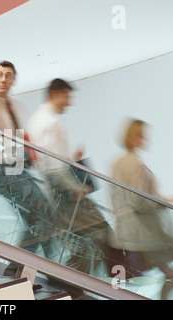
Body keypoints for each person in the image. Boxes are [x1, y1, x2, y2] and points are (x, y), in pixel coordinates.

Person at [0, 61, 58, 270]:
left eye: (8, 75)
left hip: (21, 169)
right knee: (43, 213)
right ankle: (51, 269)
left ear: (14, 80)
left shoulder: (17, 105)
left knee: (39, 219)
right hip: (3, 170)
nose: (3, 79)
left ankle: (20, 270)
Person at [27, 78, 113, 275]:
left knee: (84, 246)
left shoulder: (37, 120)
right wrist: (75, 188)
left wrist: (71, 159)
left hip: (57, 192)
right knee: (102, 234)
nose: (69, 102)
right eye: (67, 96)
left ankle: (74, 286)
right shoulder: (50, 122)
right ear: (55, 94)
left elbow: (48, 160)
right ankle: (77, 285)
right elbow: (54, 167)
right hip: (65, 194)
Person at [110, 119, 173, 299]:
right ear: (131, 138)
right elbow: (138, 199)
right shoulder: (135, 164)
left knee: (170, 271)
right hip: (145, 231)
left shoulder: (117, 162)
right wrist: (166, 200)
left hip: (131, 231)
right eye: (140, 135)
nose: (144, 139)